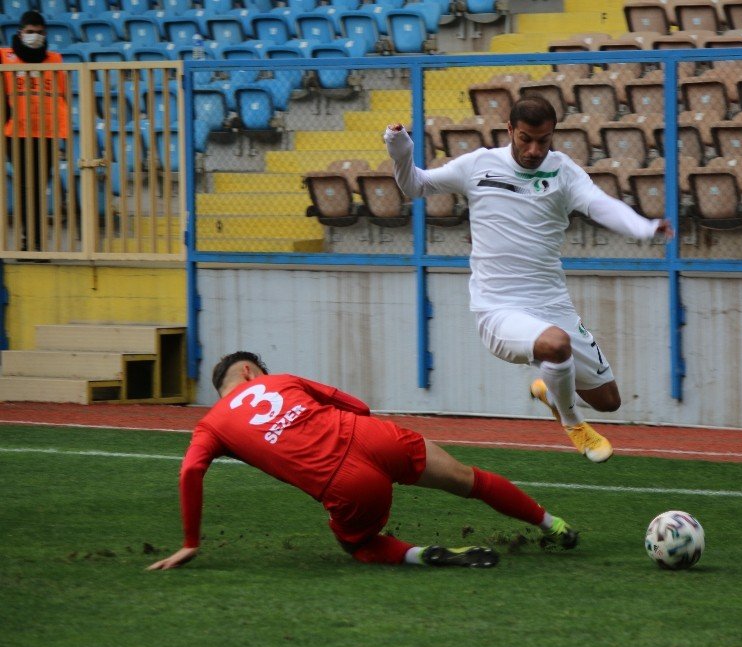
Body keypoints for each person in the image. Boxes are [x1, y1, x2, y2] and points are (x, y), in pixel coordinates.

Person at [384, 96, 672, 463]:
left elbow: (602, 204)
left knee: (609, 400)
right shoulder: (479, 165)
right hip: (497, 307)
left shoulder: (563, 171)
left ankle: (552, 392)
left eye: (544, 140)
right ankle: (574, 425)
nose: (535, 150)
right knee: (556, 344)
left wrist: (645, 227)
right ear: (510, 131)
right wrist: (400, 150)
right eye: (526, 139)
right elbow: (414, 185)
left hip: (552, 303)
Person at [148, 351, 579, 570]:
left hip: (342, 481)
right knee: (470, 479)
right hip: (373, 437)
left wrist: (191, 541)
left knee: (357, 545)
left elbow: (190, 470)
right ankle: (553, 525)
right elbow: (356, 404)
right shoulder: (281, 380)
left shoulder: (210, 426)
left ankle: (423, 555)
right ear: (250, 372)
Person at [0, 10, 70, 252]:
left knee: (39, 190)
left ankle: (37, 243)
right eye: (30, 32)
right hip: (17, 134)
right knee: (24, 188)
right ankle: (26, 241)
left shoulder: (55, 60)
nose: (35, 37)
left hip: (46, 134)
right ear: (20, 32)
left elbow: (60, 99)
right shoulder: (5, 57)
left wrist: (62, 135)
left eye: (39, 33)